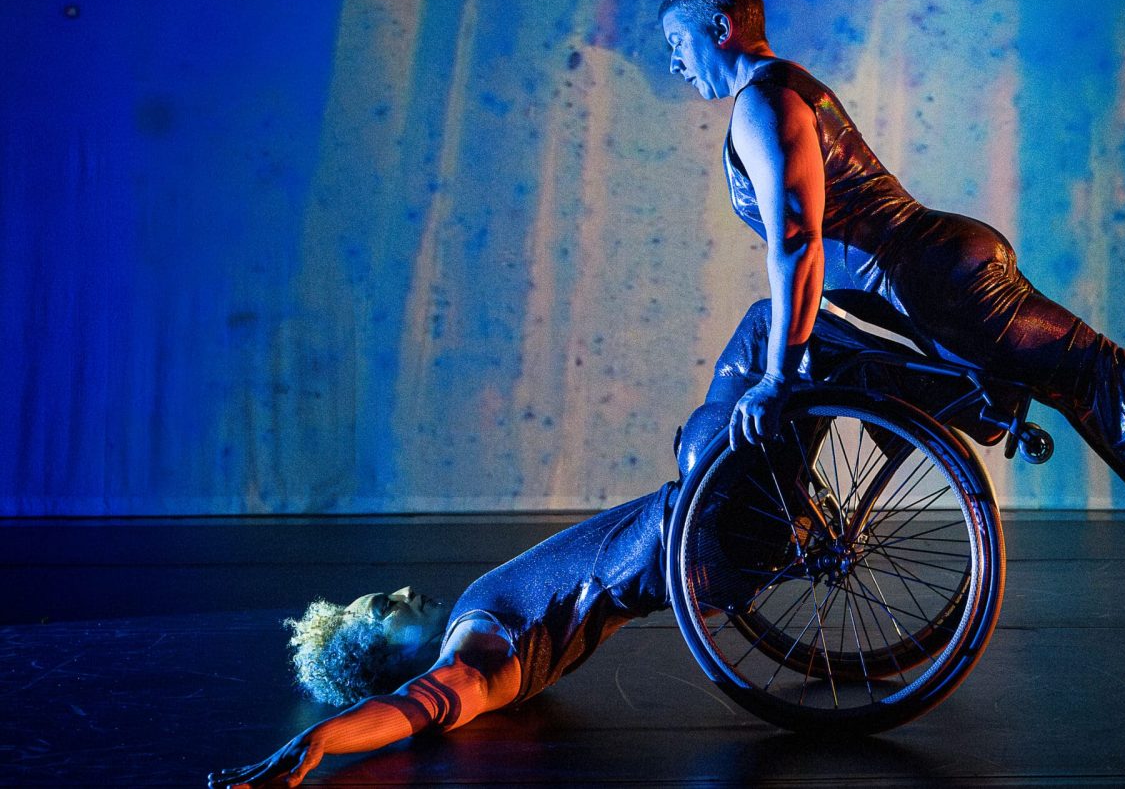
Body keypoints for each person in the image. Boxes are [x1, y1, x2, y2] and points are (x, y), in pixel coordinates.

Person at [659, 0, 1125, 574]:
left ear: (719, 28)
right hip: (928, 276)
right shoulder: (789, 93)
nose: (675, 65)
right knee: (1090, 382)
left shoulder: (763, 104)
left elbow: (797, 244)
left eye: (678, 45)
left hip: (932, 280)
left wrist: (778, 376)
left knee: (1097, 375)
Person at [207, 303, 981, 788]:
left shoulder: (481, 633)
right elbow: (425, 707)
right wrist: (318, 744)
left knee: (789, 350)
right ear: (381, 655)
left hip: (714, 533)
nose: (403, 592)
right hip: (707, 532)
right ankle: (956, 390)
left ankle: (936, 392)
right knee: (760, 341)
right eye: (386, 608)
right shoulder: (477, 656)